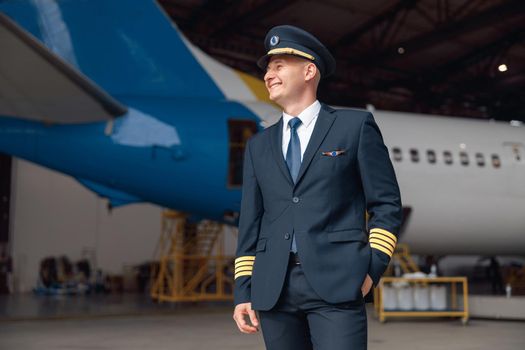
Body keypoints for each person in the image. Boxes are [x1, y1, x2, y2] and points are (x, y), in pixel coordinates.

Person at [232, 25, 403, 350]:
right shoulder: (258, 145)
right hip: (273, 289)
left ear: (309, 70)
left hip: (339, 282)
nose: (269, 74)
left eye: (278, 65)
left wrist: (371, 270)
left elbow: (387, 205)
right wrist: (243, 291)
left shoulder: (353, 127)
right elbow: (250, 224)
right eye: (268, 68)